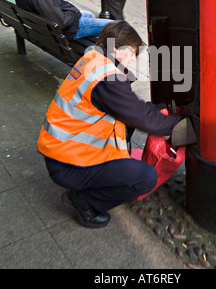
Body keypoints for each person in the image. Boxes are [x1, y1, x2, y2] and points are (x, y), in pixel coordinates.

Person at [36, 20, 196, 228]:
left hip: (61, 153)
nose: (131, 59)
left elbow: (127, 109)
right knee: (145, 177)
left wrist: (157, 109)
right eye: (130, 53)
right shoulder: (107, 78)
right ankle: (83, 200)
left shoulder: (92, 60)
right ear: (115, 48)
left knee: (129, 124)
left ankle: (101, 176)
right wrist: (179, 127)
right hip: (69, 164)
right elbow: (140, 116)